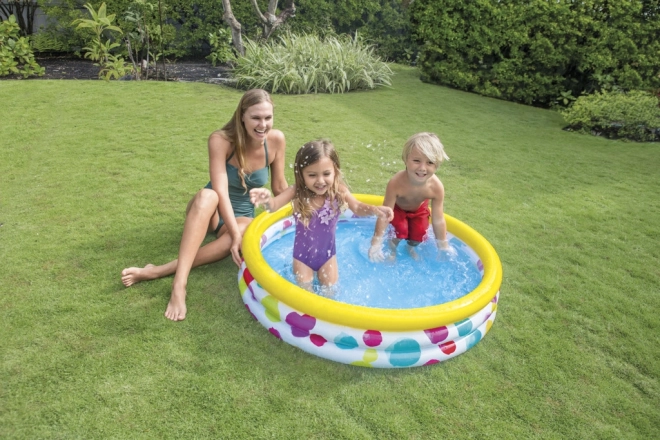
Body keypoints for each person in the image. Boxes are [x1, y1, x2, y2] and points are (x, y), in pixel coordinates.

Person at [121, 89, 288, 321]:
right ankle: (179, 285)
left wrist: (311, 192)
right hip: (210, 209)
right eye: (256, 118)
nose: (263, 125)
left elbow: (280, 188)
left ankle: (157, 271)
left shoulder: (276, 141)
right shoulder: (220, 140)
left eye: (267, 118)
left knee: (242, 230)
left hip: (241, 215)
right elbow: (220, 190)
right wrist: (235, 234)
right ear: (242, 116)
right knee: (208, 196)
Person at [250, 140, 393, 294]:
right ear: (301, 174)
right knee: (305, 295)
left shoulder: (339, 191)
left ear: (335, 172)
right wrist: (266, 200)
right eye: (312, 175)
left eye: (326, 174)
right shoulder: (297, 192)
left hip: (328, 257)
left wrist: (374, 209)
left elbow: (357, 207)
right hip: (302, 258)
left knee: (331, 293)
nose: (320, 181)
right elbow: (274, 205)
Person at [368, 132, 456, 262]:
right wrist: (376, 243)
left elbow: (438, 219)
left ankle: (410, 247)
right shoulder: (396, 183)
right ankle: (392, 248)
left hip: (419, 210)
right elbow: (385, 214)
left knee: (418, 235)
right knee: (399, 231)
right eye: (416, 161)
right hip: (397, 209)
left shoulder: (436, 187)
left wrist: (443, 246)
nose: (422, 168)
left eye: (430, 163)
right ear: (405, 159)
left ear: (437, 165)